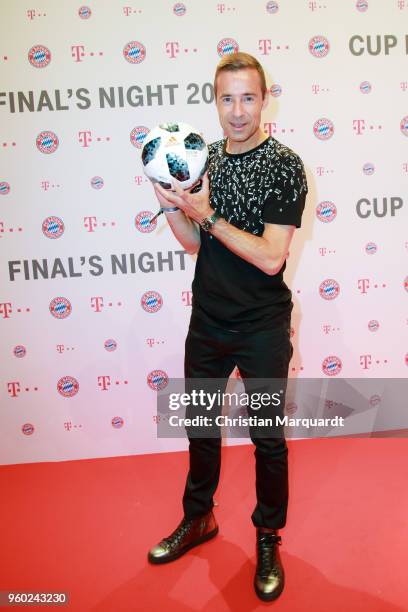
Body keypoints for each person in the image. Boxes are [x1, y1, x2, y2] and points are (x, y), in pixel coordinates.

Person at [147, 52, 308, 602]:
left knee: (267, 440)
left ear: (264, 100)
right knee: (200, 429)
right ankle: (199, 519)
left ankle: (268, 536)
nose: (236, 111)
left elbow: (270, 257)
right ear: (214, 102)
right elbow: (195, 244)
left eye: (247, 98)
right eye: (226, 98)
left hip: (262, 327)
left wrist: (208, 213)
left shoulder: (285, 164)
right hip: (208, 320)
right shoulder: (204, 157)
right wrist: (170, 202)